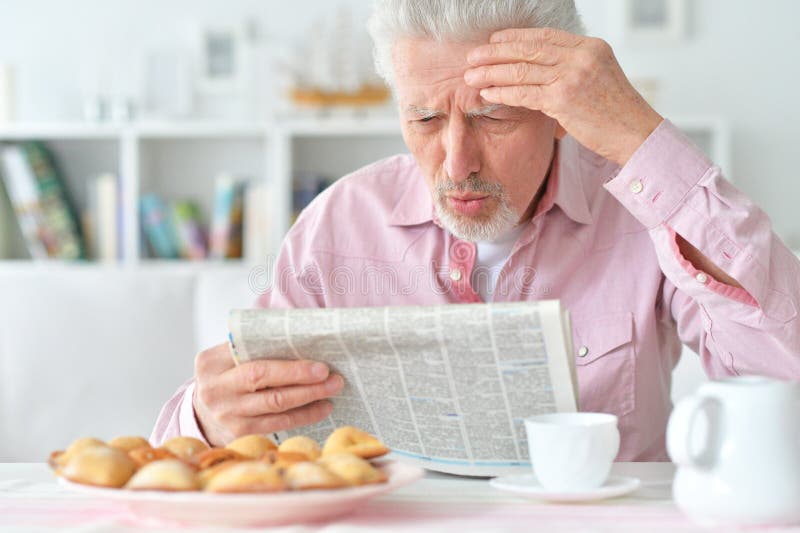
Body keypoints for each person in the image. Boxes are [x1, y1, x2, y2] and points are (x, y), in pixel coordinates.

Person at [152, 0, 800, 461]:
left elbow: (785, 372)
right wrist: (210, 419)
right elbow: (184, 453)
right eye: (426, 119)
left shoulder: (639, 210)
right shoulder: (338, 223)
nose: (456, 163)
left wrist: (639, 136)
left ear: (560, 115)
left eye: (493, 118)